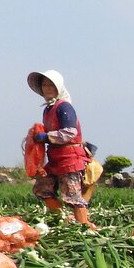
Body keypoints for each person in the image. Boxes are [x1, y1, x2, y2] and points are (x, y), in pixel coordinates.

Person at [25, 69, 92, 227]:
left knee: (72, 195)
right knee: (42, 188)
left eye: (51, 85)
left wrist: (47, 137)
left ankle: (83, 227)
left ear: (58, 88)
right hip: (56, 158)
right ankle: (62, 219)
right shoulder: (48, 109)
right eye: (44, 85)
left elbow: (70, 132)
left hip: (70, 158)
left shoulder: (64, 107)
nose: (47, 88)